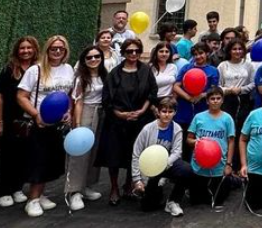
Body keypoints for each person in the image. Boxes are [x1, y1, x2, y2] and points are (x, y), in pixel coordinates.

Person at [17, 35, 75, 217]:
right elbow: (21, 96)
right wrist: (36, 115)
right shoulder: (36, 70)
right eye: (53, 48)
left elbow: (70, 95)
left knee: (51, 161)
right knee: (38, 162)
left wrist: (69, 112)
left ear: (65, 51)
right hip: (39, 124)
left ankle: (40, 195)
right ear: (47, 49)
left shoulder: (68, 69)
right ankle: (32, 200)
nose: (57, 51)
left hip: (58, 124)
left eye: (61, 49)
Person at [98, 38, 158, 205]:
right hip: (116, 121)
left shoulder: (146, 71)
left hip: (140, 119)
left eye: (137, 51)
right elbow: (107, 99)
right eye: (130, 51)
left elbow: (152, 93)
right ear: (123, 53)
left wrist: (143, 110)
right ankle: (114, 188)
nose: (133, 54)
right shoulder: (114, 73)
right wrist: (120, 114)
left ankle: (129, 184)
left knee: (135, 153)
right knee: (114, 155)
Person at [0, 36, 39, 208]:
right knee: (7, 157)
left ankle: (17, 188)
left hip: (29, 121)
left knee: (24, 156)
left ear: (35, 50)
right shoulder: (9, 69)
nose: (25, 51)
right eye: (22, 48)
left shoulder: (38, 69)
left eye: (29, 48)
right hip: (9, 120)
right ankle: (4, 192)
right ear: (17, 50)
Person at [131, 96, 190, 216]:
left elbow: (177, 151)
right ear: (158, 112)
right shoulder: (148, 129)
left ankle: (173, 201)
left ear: (175, 113)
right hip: (150, 169)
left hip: (166, 165)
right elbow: (136, 154)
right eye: (164, 111)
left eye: (170, 111)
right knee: (148, 207)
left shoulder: (177, 129)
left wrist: (164, 164)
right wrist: (137, 180)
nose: (167, 115)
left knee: (187, 170)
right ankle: (155, 188)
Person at [65, 45, 107, 210]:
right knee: (80, 154)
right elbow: (78, 102)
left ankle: (87, 185)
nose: (93, 60)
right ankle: (74, 191)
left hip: (101, 114)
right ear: (83, 60)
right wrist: (78, 125)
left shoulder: (104, 75)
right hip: (86, 113)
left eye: (97, 56)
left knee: (94, 153)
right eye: (89, 57)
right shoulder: (80, 78)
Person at [187, 87, 238, 209]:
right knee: (197, 201)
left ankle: (234, 180)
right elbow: (188, 139)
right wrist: (195, 142)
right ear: (207, 101)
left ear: (222, 100)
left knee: (218, 201)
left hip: (219, 165)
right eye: (212, 98)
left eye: (218, 98)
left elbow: (231, 142)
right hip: (199, 165)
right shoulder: (198, 117)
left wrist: (229, 164)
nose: (215, 101)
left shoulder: (227, 118)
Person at [173, 42, 219, 160]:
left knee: (199, 139)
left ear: (207, 53)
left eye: (201, 53)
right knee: (182, 140)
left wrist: (202, 95)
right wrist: (188, 97)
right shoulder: (186, 68)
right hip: (184, 109)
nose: (198, 56)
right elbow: (176, 86)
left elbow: (213, 90)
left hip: (202, 109)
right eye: (195, 54)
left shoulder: (213, 71)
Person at [217, 38, 254, 141]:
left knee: (241, 128)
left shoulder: (248, 65)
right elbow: (218, 85)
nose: (237, 51)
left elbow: (253, 83)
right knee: (227, 128)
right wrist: (228, 90)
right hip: (227, 101)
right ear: (229, 51)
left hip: (243, 101)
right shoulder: (223, 65)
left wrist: (241, 89)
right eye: (234, 49)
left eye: (240, 49)